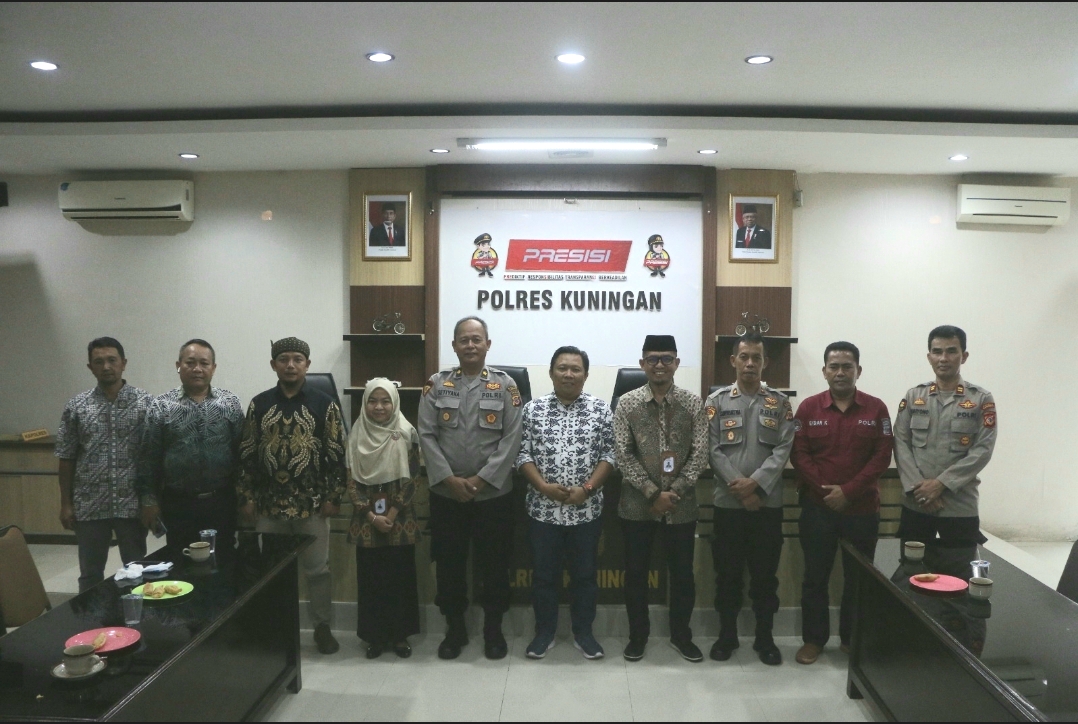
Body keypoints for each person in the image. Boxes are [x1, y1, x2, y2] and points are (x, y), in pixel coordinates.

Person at [417, 316, 523, 660]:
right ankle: (455, 629)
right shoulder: (437, 385)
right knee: (449, 565)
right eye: (464, 339)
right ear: (454, 346)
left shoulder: (506, 386)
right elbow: (426, 434)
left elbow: (513, 438)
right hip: (447, 495)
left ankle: (493, 630)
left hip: (493, 496)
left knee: (495, 565)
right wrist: (448, 479)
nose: (471, 345)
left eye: (477, 339)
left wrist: (482, 479)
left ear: (488, 344)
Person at [237, 337, 347, 655]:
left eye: (297, 359)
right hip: (269, 506)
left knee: (318, 571)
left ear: (307, 365)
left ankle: (322, 628)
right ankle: (275, 629)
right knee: (272, 574)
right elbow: (247, 455)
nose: (290, 365)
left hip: (312, 505)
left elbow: (336, 454)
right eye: (283, 359)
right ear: (273, 364)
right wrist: (246, 496)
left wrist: (334, 496)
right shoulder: (259, 405)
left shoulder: (325, 404)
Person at [791, 342, 893, 665]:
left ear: (858, 371)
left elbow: (882, 457)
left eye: (847, 366)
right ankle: (814, 640)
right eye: (833, 366)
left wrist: (847, 492)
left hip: (861, 510)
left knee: (859, 580)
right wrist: (827, 493)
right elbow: (799, 454)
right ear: (824, 371)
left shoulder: (876, 409)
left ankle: (852, 639)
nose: (840, 372)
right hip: (817, 510)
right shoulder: (808, 409)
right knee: (815, 578)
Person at [614, 334, 709, 662]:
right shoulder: (627, 403)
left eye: (667, 358)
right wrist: (653, 493)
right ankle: (637, 637)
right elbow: (622, 454)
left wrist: (674, 491)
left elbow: (700, 453)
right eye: (653, 359)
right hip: (636, 505)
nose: (660, 365)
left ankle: (682, 636)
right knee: (636, 575)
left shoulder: (693, 404)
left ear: (676, 363)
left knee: (682, 575)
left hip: (681, 507)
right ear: (642, 364)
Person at [517, 346, 614, 660]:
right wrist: (543, 487)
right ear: (551, 373)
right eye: (562, 368)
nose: (568, 374)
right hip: (542, 511)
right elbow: (522, 454)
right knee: (544, 577)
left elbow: (610, 455)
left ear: (586, 375)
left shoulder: (601, 410)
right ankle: (543, 633)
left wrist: (587, 489)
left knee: (585, 577)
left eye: (575, 369)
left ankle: (584, 634)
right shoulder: (532, 410)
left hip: (586, 511)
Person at [705, 333, 795, 665]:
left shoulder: (780, 403)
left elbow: (783, 449)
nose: (750, 363)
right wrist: (741, 488)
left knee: (765, 577)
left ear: (765, 362)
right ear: (733, 361)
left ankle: (765, 638)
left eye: (756, 357)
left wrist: (755, 485)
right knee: (727, 575)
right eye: (744, 357)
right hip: (728, 506)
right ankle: (727, 636)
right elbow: (712, 450)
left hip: (767, 506)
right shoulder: (715, 402)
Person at [55, 337, 153, 592]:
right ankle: (92, 616)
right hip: (89, 504)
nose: (106, 366)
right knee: (90, 573)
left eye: (112, 360)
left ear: (123, 363)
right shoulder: (77, 406)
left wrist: (152, 500)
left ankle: (137, 615)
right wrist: (66, 503)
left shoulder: (146, 404)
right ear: (90, 367)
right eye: (99, 362)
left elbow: (153, 457)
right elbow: (66, 457)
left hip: (131, 504)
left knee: (137, 571)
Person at [137, 339, 244, 554]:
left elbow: (242, 454)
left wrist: (245, 498)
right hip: (178, 503)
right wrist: (149, 501)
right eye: (190, 363)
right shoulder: (161, 406)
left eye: (204, 363)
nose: (197, 369)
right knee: (181, 557)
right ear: (178, 366)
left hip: (221, 501)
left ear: (213, 368)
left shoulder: (230, 403)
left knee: (223, 556)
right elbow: (149, 458)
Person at [894, 325, 996, 549]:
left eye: (951, 351)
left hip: (959, 506)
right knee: (912, 566)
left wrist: (940, 485)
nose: (943, 358)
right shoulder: (914, 396)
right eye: (937, 351)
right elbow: (900, 443)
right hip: (917, 504)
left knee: (959, 566)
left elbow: (983, 450)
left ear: (964, 356)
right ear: (929, 357)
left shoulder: (981, 399)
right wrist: (920, 490)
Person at [345, 379, 422, 660]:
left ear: (395, 403)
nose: (379, 407)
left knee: (400, 577)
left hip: (399, 517)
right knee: (371, 580)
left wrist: (391, 513)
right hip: (366, 519)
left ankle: (400, 636)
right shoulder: (356, 434)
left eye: (385, 401)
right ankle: (375, 637)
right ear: (365, 403)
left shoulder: (406, 432)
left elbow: (413, 477)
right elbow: (350, 480)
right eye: (373, 401)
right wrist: (369, 514)